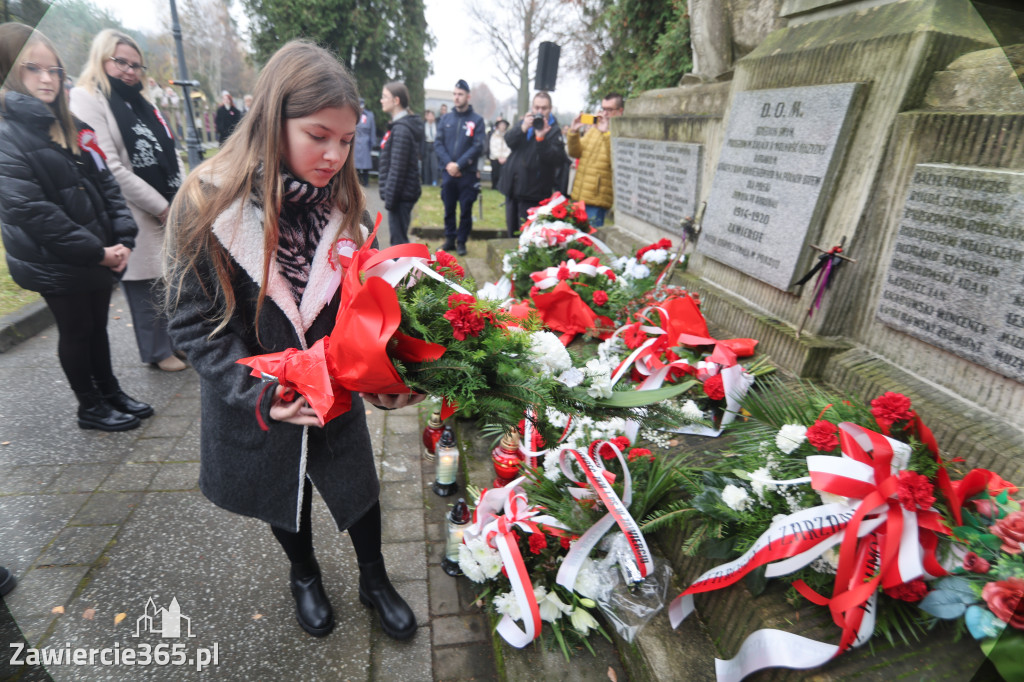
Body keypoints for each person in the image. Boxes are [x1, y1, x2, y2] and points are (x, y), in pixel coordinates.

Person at [163, 40, 421, 641]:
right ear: (271, 119)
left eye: (347, 139)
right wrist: (259, 392)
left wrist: (387, 373)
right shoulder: (207, 206)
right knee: (285, 487)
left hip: (333, 389)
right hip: (261, 394)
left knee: (358, 483)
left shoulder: (347, 210)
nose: (334, 155)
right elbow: (190, 325)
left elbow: (365, 316)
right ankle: (303, 574)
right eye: (317, 135)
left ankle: (374, 577)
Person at [0, 22, 148, 431]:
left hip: (100, 251)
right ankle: (91, 407)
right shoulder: (7, 135)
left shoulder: (73, 125)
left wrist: (122, 238)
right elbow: (33, 211)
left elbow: (108, 184)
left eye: (54, 70)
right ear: (11, 71)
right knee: (77, 330)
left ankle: (111, 393)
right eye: (33, 69)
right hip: (57, 258)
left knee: (97, 327)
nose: (47, 79)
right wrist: (98, 251)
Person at [71, 29, 187, 373]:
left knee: (171, 280)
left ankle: (178, 342)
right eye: (120, 61)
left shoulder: (142, 102)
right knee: (145, 284)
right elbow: (109, 166)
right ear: (101, 58)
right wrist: (162, 206)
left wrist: (180, 198)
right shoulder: (87, 97)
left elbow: (171, 149)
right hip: (131, 207)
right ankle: (157, 351)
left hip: (167, 201)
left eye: (136, 65)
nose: (130, 70)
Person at [499, 91, 567, 237]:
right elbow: (509, 141)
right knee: (512, 231)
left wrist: (541, 139)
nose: (540, 112)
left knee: (527, 235)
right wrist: (522, 128)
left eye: (544, 108)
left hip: (533, 192)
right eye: (537, 107)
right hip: (513, 188)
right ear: (532, 107)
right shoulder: (526, 122)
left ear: (550, 109)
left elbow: (555, 158)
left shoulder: (554, 130)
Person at [434, 79, 484, 256]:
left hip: (467, 174)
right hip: (448, 173)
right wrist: (449, 164)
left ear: (468, 96)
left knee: (465, 210)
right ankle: (450, 239)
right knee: (448, 208)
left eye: (460, 94)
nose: (456, 98)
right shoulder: (446, 119)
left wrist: (459, 164)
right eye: (454, 94)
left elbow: (477, 146)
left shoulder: (477, 120)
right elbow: (438, 143)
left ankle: (461, 241)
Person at [568, 93, 625, 227]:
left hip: (597, 199)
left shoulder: (622, 131)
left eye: (609, 110)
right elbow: (575, 152)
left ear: (620, 111)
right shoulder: (594, 130)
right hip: (579, 195)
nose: (604, 113)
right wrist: (573, 132)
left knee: (591, 240)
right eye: (603, 108)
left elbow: (616, 160)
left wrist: (605, 133)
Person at [378, 82, 423, 246]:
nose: (381, 100)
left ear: (396, 100)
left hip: (400, 196)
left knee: (398, 244)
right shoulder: (399, 126)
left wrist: (390, 199)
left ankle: (403, 272)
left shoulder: (402, 129)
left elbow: (397, 168)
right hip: (400, 194)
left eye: (385, 97)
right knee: (398, 241)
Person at [353, 97, 376, 187]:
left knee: (366, 164)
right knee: (354, 164)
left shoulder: (369, 115)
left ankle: (366, 182)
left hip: (365, 142)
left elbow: (372, 130)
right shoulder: (353, 114)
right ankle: (355, 182)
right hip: (355, 140)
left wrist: (372, 143)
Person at [489, 118, 509, 190]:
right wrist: (498, 156)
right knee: (495, 173)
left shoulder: (508, 135)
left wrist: (505, 157)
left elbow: (509, 147)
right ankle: (494, 186)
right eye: (501, 125)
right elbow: (492, 146)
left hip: (505, 158)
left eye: (504, 125)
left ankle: (502, 187)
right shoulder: (494, 135)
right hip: (495, 158)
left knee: (503, 173)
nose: (502, 127)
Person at [421, 109, 438, 186]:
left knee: (434, 164)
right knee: (426, 164)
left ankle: (435, 181)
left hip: (434, 145)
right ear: (426, 117)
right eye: (429, 115)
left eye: (432, 115)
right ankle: (426, 182)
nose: (430, 117)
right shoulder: (423, 125)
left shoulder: (437, 125)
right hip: (426, 145)